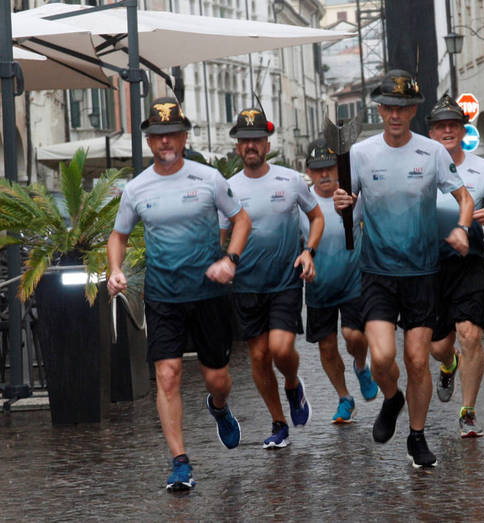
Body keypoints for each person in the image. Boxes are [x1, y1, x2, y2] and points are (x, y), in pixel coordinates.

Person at [107, 97, 251, 491]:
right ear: (149, 141)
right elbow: (117, 236)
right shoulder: (136, 189)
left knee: (217, 379)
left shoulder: (208, 179)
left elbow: (241, 220)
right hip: (163, 296)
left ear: (185, 137)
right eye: (157, 135)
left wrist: (230, 260)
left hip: (208, 294)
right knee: (167, 377)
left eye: (171, 134)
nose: (165, 141)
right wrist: (115, 269)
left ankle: (218, 408)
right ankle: (180, 462)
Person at [333, 69, 474, 468]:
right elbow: (351, 206)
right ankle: (391, 398)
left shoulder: (432, 153)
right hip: (377, 271)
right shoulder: (360, 154)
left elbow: (463, 197)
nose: (395, 115)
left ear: (414, 110)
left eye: (403, 108)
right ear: (379, 110)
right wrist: (343, 204)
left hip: (423, 273)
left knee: (416, 359)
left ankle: (416, 435)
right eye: (389, 108)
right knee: (381, 358)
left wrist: (463, 228)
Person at [220, 107, 323, 449]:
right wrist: (221, 265)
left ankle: (293, 385)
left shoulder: (290, 180)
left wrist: (308, 250)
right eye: (244, 141)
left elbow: (317, 216)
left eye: (257, 140)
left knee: (280, 349)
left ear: (267, 144)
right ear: (237, 147)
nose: (251, 146)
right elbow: (221, 239)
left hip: (284, 281)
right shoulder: (228, 189)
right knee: (260, 357)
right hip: (246, 286)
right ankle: (279, 422)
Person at [427, 94, 484, 438]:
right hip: (430, 267)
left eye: (453, 125)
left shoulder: (483, 169)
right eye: (440, 126)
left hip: (470, 264)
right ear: (431, 132)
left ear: (463, 130)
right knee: (437, 347)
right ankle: (449, 365)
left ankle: (468, 411)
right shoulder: (420, 168)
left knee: (471, 335)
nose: (447, 131)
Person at [301, 138, 379, 423]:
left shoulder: (352, 197)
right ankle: (344, 397)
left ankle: (360, 365)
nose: (324, 175)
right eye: (318, 170)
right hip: (319, 285)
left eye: (329, 168)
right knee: (327, 347)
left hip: (353, 281)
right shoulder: (304, 202)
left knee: (353, 335)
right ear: (308, 172)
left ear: (339, 168)